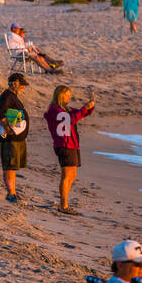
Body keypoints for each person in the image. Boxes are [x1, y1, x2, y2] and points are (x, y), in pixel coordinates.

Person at [44, 84, 95, 214]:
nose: (69, 97)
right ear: (60, 96)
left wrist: (89, 108)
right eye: (67, 95)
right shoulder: (55, 110)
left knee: (72, 175)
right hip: (64, 145)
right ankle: (63, 205)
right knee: (66, 175)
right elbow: (70, 120)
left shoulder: (64, 109)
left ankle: (64, 202)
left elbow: (77, 114)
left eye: (69, 94)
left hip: (72, 144)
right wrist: (84, 109)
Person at [0, 73, 31, 203]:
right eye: (21, 84)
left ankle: (13, 192)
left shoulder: (12, 96)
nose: (23, 87)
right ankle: (11, 194)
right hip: (10, 139)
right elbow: (1, 114)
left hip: (16, 139)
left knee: (13, 166)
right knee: (9, 166)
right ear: (14, 83)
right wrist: (8, 131)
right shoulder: (7, 96)